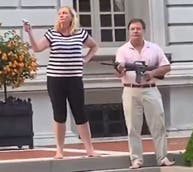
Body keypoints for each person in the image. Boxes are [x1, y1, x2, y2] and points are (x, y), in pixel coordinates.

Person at [23, 6, 98, 159]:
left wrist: (86, 59)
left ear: (72, 17)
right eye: (59, 14)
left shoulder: (80, 34)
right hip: (55, 79)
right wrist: (29, 32)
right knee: (59, 114)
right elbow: (37, 48)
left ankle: (89, 148)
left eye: (64, 13)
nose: (61, 16)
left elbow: (94, 46)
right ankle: (59, 150)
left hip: (75, 78)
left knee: (80, 113)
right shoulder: (52, 33)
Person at [115, 18, 175, 168]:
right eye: (133, 29)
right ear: (129, 31)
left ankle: (163, 158)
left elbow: (166, 67)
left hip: (150, 89)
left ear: (143, 30)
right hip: (130, 90)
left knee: (158, 125)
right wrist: (120, 69)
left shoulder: (154, 48)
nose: (136, 31)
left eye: (138, 28)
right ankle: (136, 160)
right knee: (133, 127)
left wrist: (152, 73)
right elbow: (118, 73)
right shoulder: (122, 50)